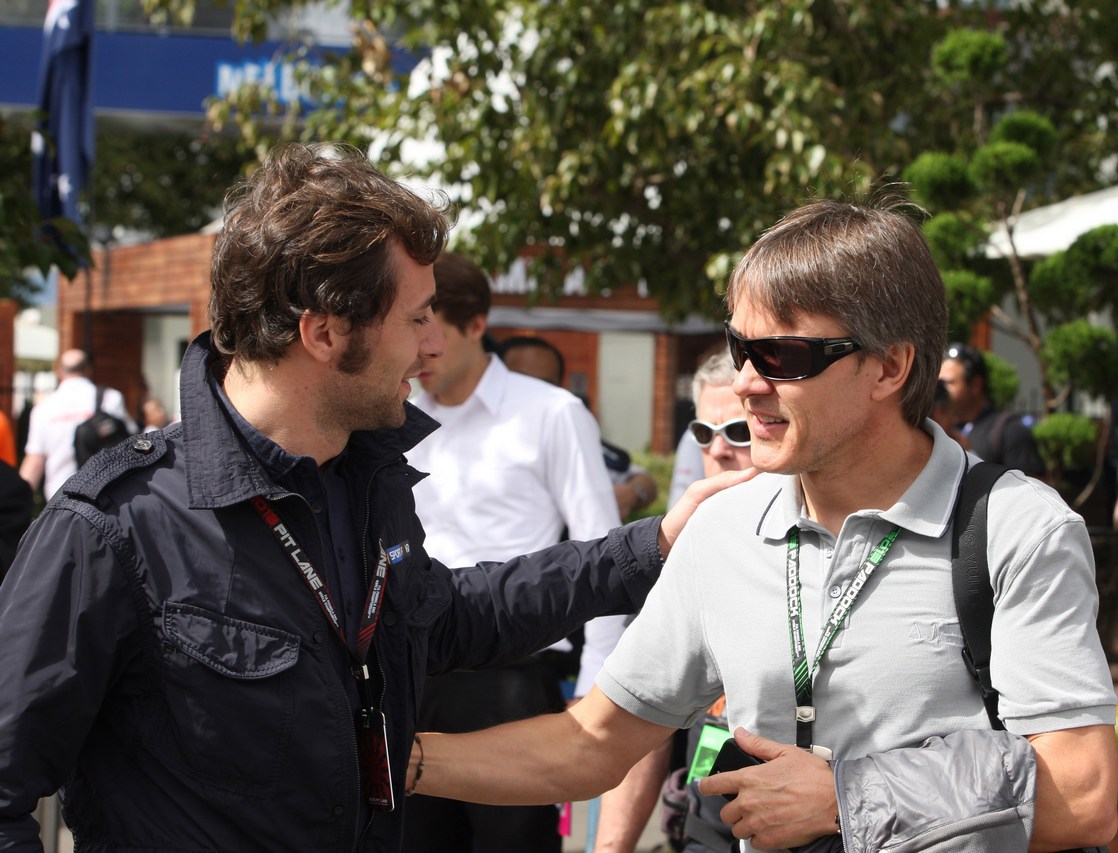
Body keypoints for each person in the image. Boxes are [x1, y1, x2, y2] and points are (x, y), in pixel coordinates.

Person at [0, 142, 743, 853]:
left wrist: (653, 546)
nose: (431, 346)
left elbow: (450, 616)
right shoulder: (112, 526)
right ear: (325, 332)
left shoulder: (361, 476)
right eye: (416, 318)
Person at [409, 198, 1118, 852]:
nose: (746, 380)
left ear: (890, 366)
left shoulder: (1015, 527)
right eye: (742, 347)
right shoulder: (726, 526)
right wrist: (385, 761)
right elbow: (590, 741)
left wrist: (849, 796)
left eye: (782, 356)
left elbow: (1082, 793)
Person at [402, 255, 628, 853]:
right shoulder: (395, 420)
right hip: (411, 670)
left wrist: (598, 685)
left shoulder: (551, 413)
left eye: (435, 331)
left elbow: (603, 553)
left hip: (511, 676)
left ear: (476, 324)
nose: (421, 351)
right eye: (411, 329)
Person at [591, 345, 752, 853]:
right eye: (704, 434)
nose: (719, 450)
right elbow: (642, 723)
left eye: (739, 433)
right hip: (704, 823)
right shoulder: (686, 549)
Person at [500, 334, 659, 519]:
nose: (534, 393)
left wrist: (632, 493)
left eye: (545, 385)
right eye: (522, 382)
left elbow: (643, 480)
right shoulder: (474, 438)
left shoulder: (567, 437)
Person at [19, 348, 137, 501]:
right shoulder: (110, 398)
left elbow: (35, 461)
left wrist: (19, 502)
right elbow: (132, 441)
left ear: (59, 371)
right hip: (106, 496)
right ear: (88, 369)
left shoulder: (43, 408)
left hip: (60, 497)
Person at [938, 342, 1045, 476]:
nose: (939, 390)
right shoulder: (940, 428)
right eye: (938, 383)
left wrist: (970, 456)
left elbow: (1033, 490)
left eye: (948, 383)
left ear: (976, 385)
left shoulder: (1010, 431)